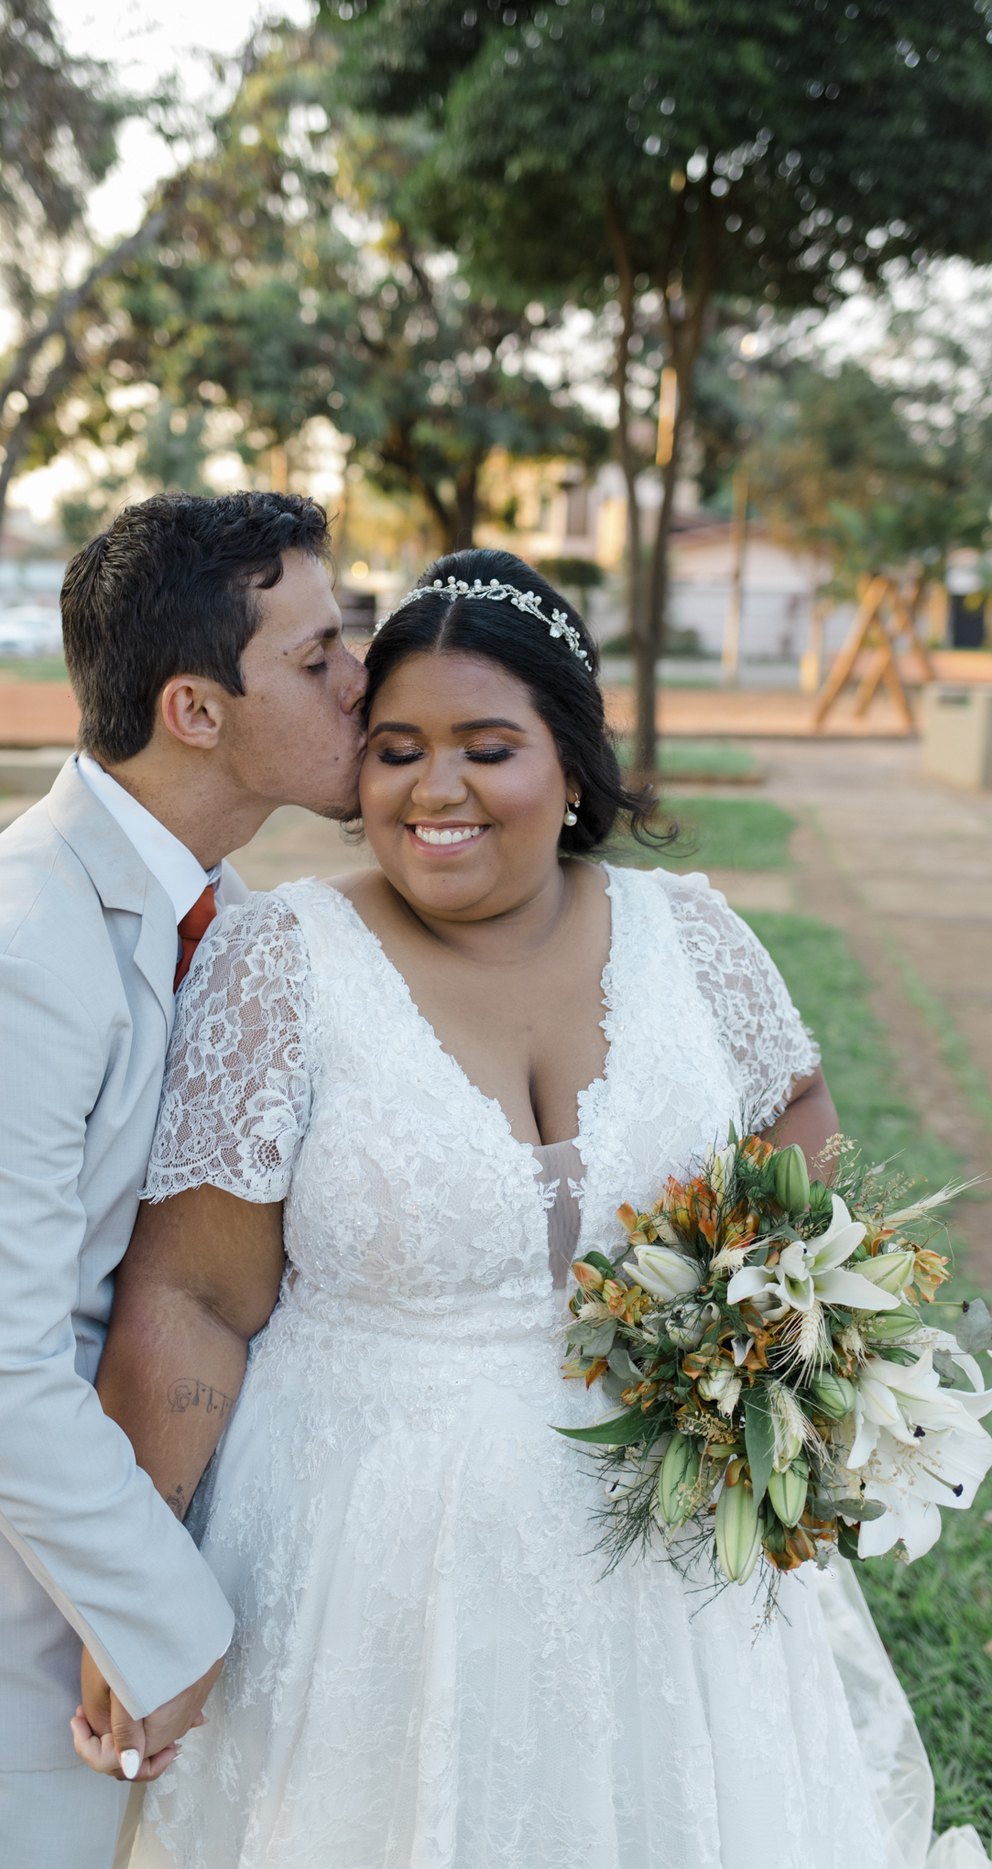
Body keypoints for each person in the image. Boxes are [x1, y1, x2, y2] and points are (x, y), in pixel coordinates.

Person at [84, 547, 986, 1869]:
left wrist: (790, 1367)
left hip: (671, 1576)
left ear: (570, 760)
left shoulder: (694, 937)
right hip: (367, 1564)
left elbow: (806, 1182)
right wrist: (133, 1588)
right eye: (394, 748)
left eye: (485, 746)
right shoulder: (282, 961)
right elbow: (193, 1297)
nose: (434, 790)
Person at [0, 490, 368, 1869]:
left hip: (135, 1603)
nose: (361, 678)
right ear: (195, 710)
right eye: (316, 656)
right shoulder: (3, 954)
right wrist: (165, 1622)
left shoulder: (227, 919)